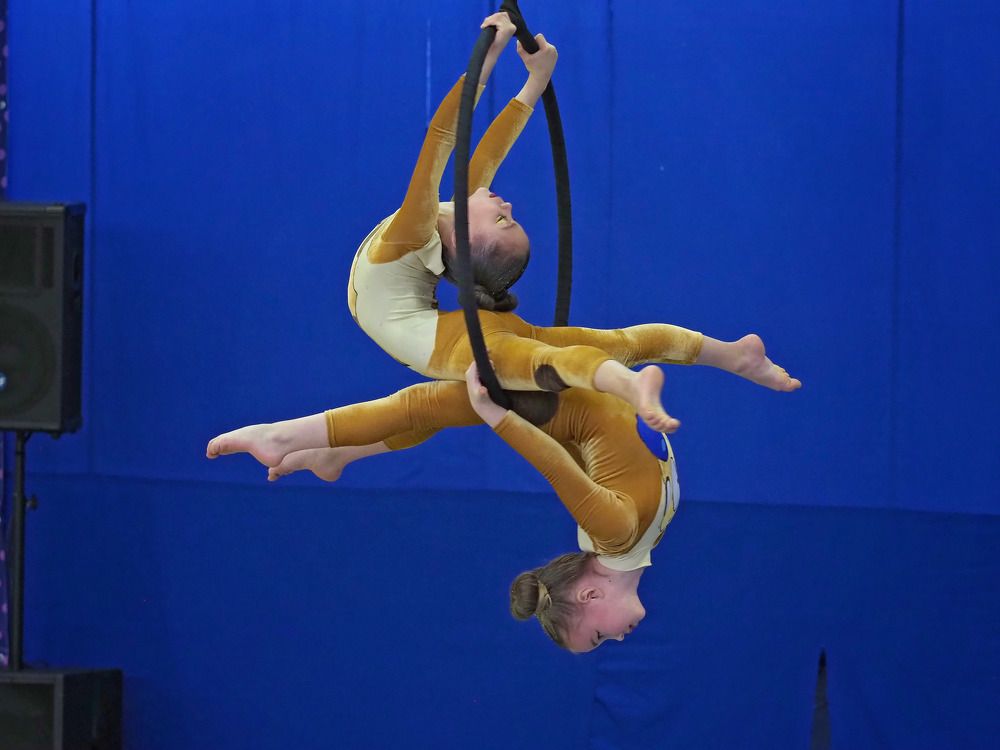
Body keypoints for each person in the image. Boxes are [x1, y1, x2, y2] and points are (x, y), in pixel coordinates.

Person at [348, 13, 800, 434]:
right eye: (509, 217)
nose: (509, 204)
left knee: (538, 362)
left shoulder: (414, 231)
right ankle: (727, 356)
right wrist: (536, 80)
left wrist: (486, 60)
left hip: (435, 342)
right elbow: (489, 149)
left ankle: (643, 382)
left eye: (503, 219)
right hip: (424, 330)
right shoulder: (452, 219)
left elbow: (441, 139)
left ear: (465, 240)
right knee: (600, 343)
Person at [205, 360, 766, 652]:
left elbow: (555, 465)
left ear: (590, 595)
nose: (618, 639)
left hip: (568, 402)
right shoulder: (636, 545)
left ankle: (287, 437)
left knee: (428, 404)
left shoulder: (614, 535)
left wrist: (497, 416)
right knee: (435, 413)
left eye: (599, 636)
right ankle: (337, 456)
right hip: (582, 400)